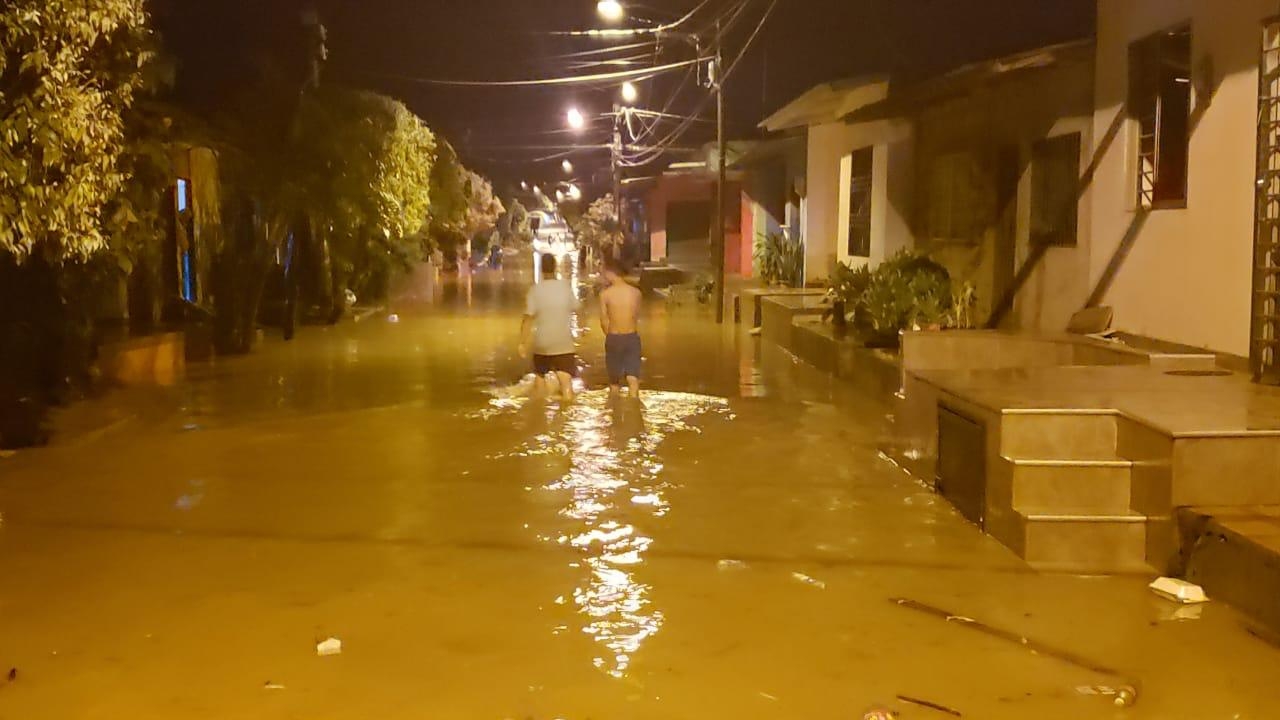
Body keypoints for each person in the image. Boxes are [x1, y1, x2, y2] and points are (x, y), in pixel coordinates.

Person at [520, 254, 579, 401]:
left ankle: (539, 414)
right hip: (563, 342)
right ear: (555, 267)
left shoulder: (535, 290)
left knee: (539, 378)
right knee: (566, 385)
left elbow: (527, 318)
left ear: (541, 269)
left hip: (542, 343)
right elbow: (577, 308)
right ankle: (567, 410)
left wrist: (522, 342)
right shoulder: (565, 287)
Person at [599, 255, 643, 397]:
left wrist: (610, 335)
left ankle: (614, 412)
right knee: (633, 378)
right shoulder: (636, 293)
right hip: (632, 337)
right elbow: (635, 316)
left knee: (614, 382)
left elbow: (603, 320)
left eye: (605, 273)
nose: (603, 276)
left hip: (614, 337)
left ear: (611, 273)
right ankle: (634, 412)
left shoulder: (605, 294)